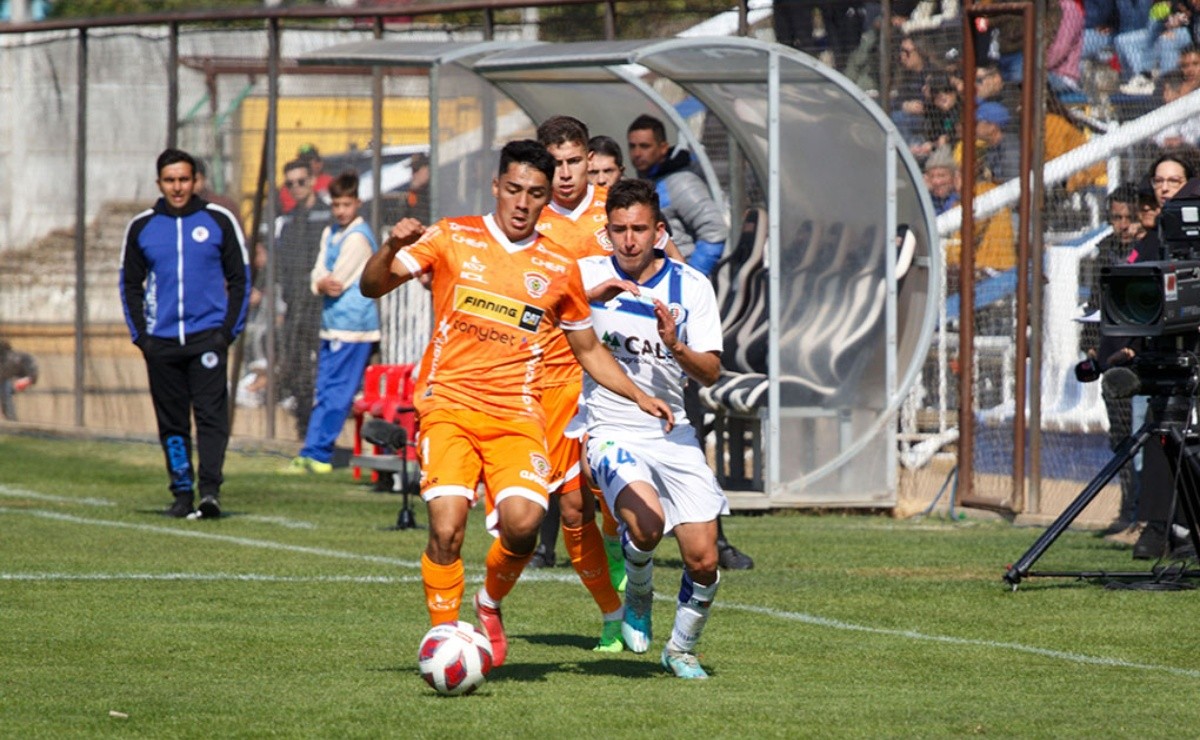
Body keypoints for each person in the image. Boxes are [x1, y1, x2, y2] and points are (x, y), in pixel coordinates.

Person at [359, 139, 673, 668]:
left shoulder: (557, 265)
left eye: (535, 193)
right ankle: (445, 639)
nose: (523, 202)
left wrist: (639, 394)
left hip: (516, 414)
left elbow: (589, 348)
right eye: (514, 190)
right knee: (446, 526)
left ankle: (487, 603)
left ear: (547, 197)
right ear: (496, 187)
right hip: (449, 404)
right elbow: (372, 287)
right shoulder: (451, 238)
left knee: (524, 524)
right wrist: (390, 248)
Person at [579, 178, 729, 679]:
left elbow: (710, 372)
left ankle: (681, 649)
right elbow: (535, 321)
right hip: (609, 427)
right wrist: (586, 301)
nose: (628, 240)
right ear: (607, 232)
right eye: (618, 229)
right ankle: (638, 591)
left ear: (659, 231)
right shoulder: (586, 276)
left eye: (639, 229)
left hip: (673, 430)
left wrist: (676, 345)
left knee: (704, 559)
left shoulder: (692, 286)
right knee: (644, 524)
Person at [525, 115, 632, 648]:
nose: (566, 174)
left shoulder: (615, 212)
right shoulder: (532, 219)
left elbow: (663, 265)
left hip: (615, 371)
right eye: (557, 164)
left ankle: (619, 553)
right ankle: (614, 613)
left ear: (590, 160)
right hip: (554, 375)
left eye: (575, 162)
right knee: (570, 507)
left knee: (614, 494)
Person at [119, 148, 250, 519]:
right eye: (170, 180)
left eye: (184, 180)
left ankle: (210, 492)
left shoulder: (218, 221)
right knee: (172, 423)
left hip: (207, 339)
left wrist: (227, 333)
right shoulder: (143, 227)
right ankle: (181, 492)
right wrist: (142, 337)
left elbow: (239, 278)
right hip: (160, 343)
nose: (177, 187)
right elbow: (129, 284)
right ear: (159, 183)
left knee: (211, 418)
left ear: (196, 182)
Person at [282, 171, 380, 474]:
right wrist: (319, 283)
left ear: (357, 204)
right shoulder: (331, 233)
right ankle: (311, 450)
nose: (340, 211)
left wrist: (322, 283)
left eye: (346, 205)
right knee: (323, 390)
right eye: (336, 204)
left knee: (338, 392)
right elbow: (318, 273)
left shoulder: (359, 237)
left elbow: (336, 280)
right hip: (331, 323)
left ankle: (319, 453)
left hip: (353, 328)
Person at [1077, 184, 1144, 532]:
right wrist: (1090, 344)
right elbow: (1094, 304)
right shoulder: (1105, 252)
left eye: (1129, 218)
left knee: (1147, 435)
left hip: (1141, 356)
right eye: (1116, 218)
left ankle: (1147, 514)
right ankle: (1126, 511)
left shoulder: (1149, 249)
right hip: (1113, 358)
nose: (1123, 226)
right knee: (1120, 435)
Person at [626, 114, 727, 276]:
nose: (637, 153)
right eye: (632, 146)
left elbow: (714, 231)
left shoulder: (681, 183)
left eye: (645, 146)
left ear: (663, 148)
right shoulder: (648, 182)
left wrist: (691, 277)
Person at [276, 158, 333, 438]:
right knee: (296, 367)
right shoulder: (288, 221)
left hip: (320, 306)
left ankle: (324, 430)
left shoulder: (327, 217)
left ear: (312, 180)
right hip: (294, 305)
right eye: (290, 184)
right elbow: (279, 265)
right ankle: (304, 426)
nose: (296, 188)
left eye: (300, 181)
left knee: (324, 368)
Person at [279, 144, 333, 214]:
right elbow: (289, 211)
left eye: (301, 182)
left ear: (319, 163)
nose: (296, 186)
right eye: (302, 160)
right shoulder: (287, 187)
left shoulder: (330, 182)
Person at [0, 339, 37, 421]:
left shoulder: (12, 358)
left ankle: (12, 419)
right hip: (11, 381)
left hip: (19, 380)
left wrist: (24, 381)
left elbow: (32, 376)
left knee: (5, 387)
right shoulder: (12, 357)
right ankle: (11, 418)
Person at [923, 145, 960, 215]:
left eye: (942, 176)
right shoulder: (927, 199)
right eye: (932, 176)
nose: (937, 182)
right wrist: (923, 193)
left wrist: (959, 192)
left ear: (954, 177)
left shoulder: (960, 197)